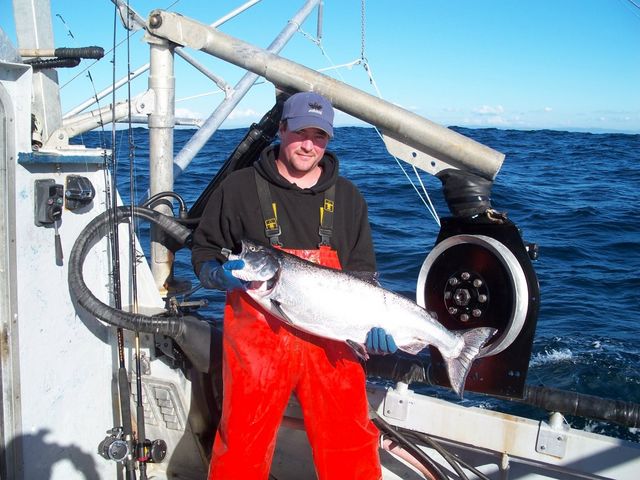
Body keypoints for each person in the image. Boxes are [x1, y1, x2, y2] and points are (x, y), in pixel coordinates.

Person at [191, 91, 397, 479]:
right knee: (241, 445)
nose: (308, 145)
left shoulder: (350, 198)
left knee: (350, 445)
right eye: (301, 132)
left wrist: (374, 329)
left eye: (319, 136)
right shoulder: (238, 188)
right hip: (257, 349)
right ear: (281, 130)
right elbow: (203, 253)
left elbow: (363, 276)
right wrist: (217, 276)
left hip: (334, 343)